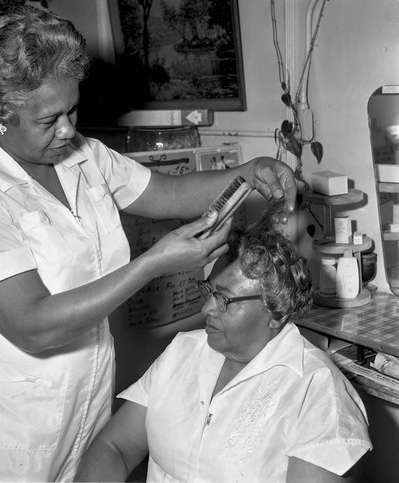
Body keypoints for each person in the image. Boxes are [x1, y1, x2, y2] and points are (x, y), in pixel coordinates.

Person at [0, 4, 297, 482]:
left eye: (73, 109)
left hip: (89, 404)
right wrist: (154, 263)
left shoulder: (85, 156)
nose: (68, 129)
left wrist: (249, 171)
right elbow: (31, 325)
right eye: (49, 119)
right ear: (3, 114)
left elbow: (168, 194)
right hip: (16, 427)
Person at [74, 200, 372, 483]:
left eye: (224, 299)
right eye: (209, 291)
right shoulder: (185, 350)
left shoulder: (317, 393)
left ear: (275, 312)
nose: (206, 308)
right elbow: (114, 447)